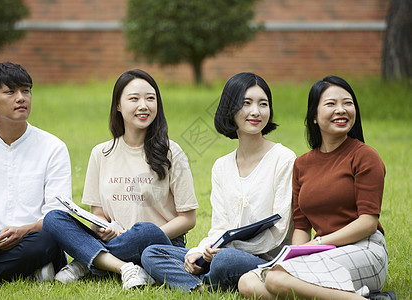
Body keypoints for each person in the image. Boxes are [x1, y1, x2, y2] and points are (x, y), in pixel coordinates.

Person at [238, 75, 396, 300]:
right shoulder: (302, 164)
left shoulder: (364, 156)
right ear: (314, 115)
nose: (341, 110)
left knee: (276, 279)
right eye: (331, 104)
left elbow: (368, 223)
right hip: (320, 253)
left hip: (365, 250)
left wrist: (319, 243)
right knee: (248, 282)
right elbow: (301, 228)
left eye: (347, 103)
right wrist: (300, 254)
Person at [43, 69, 198, 288]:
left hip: (157, 242)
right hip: (113, 237)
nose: (143, 105)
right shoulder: (101, 153)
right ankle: (125, 267)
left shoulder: (172, 152)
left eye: (150, 99)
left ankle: (87, 262)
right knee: (53, 219)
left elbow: (188, 219)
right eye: (134, 98)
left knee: (145, 230)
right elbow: (98, 213)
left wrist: (138, 235)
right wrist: (106, 228)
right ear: (118, 105)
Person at [141, 72, 296, 292]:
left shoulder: (284, 158)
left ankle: (206, 278)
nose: (256, 111)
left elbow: (279, 232)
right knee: (152, 252)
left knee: (226, 261)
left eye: (263, 104)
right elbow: (220, 227)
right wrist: (202, 250)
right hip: (222, 253)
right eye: (246, 103)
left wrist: (221, 252)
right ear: (230, 109)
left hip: (267, 261)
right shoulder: (221, 166)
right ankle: (200, 286)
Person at [0, 62, 71, 283]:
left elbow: (57, 214)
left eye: (26, 91)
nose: (21, 98)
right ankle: (29, 270)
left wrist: (23, 230)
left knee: (49, 241)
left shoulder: (53, 147)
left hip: (32, 238)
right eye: (10, 92)